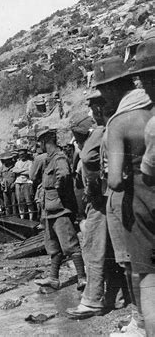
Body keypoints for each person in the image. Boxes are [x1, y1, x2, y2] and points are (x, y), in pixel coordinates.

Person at [95, 56, 148, 335]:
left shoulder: (120, 120)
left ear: (112, 87)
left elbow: (114, 179)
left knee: (133, 264)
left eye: (103, 91)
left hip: (133, 198)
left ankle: (140, 323)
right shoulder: (150, 107)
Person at [109, 38, 155, 335]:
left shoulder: (120, 123)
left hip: (141, 201)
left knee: (147, 277)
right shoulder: (150, 115)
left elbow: (113, 179)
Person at [66, 112, 127, 319]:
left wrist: (91, 195)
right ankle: (115, 296)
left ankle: (92, 300)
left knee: (93, 250)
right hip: (105, 201)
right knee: (108, 251)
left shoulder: (94, 141)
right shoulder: (100, 137)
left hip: (98, 203)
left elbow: (89, 159)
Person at [33, 129, 86, 291]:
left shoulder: (59, 157)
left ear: (44, 142)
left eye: (40, 143)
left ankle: (82, 278)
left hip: (60, 209)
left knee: (70, 245)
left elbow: (63, 175)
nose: (39, 146)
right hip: (49, 210)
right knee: (53, 246)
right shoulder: (49, 159)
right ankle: (53, 278)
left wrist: (57, 190)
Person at [12, 148, 35, 220]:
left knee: (29, 201)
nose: (21, 156)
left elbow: (30, 172)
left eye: (23, 154)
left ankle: (31, 218)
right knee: (20, 201)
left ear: (26, 154)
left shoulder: (30, 162)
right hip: (18, 183)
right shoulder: (17, 163)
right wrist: (24, 170)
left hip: (26, 183)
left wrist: (19, 171)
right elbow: (14, 170)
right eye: (20, 154)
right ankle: (22, 218)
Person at [0, 151, 18, 216]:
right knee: (6, 203)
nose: (6, 162)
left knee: (14, 203)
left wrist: (14, 183)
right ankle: (8, 217)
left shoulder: (15, 165)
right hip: (4, 188)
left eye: (7, 160)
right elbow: (0, 177)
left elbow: (17, 176)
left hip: (12, 187)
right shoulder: (2, 167)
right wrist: (1, 182)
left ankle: (15, 217)